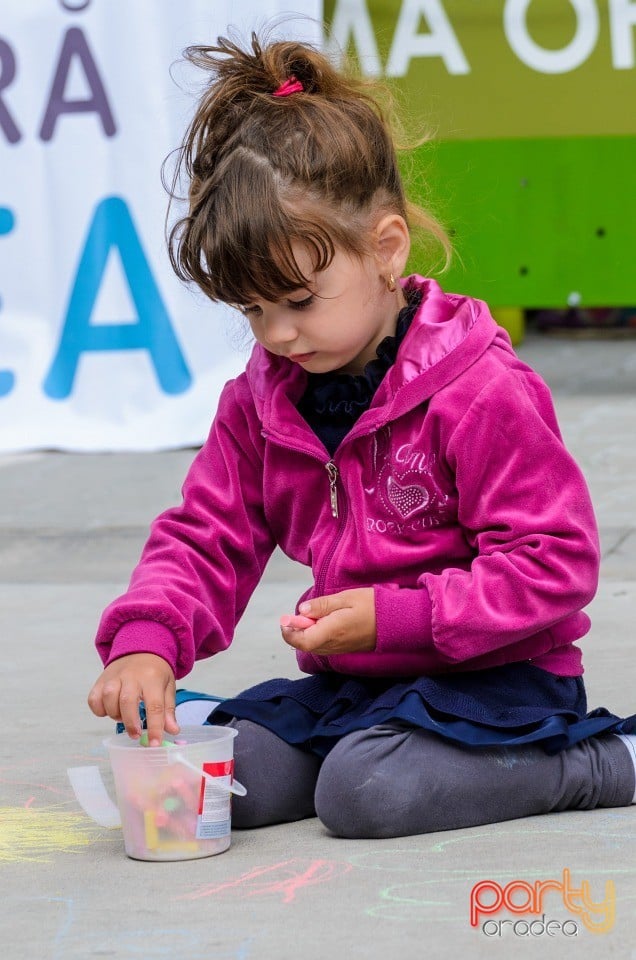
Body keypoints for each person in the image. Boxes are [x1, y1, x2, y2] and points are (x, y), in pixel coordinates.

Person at [88, 32, 636, 839]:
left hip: (498, 682)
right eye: (251, 310)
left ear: (385, 249)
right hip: (359, 691)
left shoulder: (479, 389)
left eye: (299, 301)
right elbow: (208, 535)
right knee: (209, 775)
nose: (276, 334)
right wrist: (147, 640)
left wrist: (396, 619)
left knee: (365, 793)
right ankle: (339, 747)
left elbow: (554, 564)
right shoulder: (263, 400)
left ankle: (602, 759)